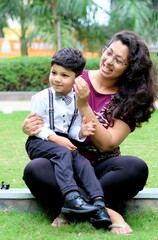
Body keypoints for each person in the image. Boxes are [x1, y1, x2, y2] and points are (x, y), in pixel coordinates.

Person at [22, 31, 158, 235]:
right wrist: (30, 126)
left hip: (101, 170)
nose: (109, 61)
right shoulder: (76, 76)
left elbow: (107, 144)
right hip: (65, 166)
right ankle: (106, 210)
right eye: (109, 52)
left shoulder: (130, 99)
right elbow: (48, 115)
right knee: (35, 169)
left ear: (130, 69)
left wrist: (84, 105)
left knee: (135, 168)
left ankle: (72, 206)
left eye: (119, 60)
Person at [25, 47, 111, 227]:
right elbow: (37, 128)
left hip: (64, 141)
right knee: (63, 153)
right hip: (40, 141)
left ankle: (98, 203)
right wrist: (56, 139)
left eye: (64, 75)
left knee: (83, 163)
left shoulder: (77, 100)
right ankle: (71, 197)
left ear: (76, 79)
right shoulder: (41, 98)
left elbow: (72, 129)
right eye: (54, 73)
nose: (56, 79)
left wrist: (81, 132)